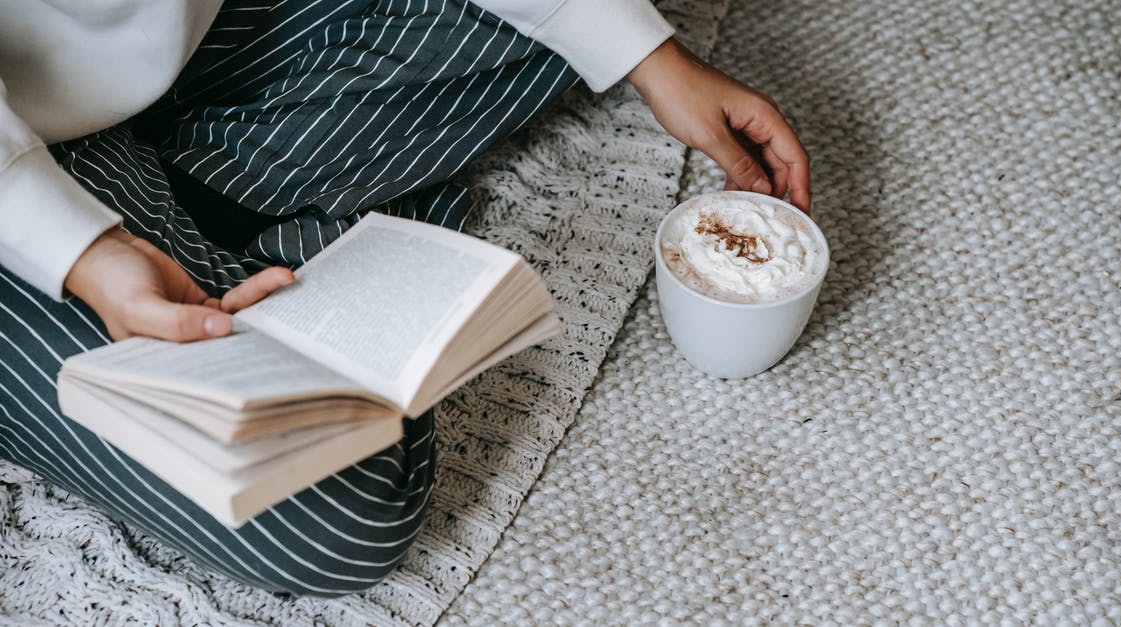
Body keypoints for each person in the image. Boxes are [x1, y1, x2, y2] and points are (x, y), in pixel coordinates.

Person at [0, 0, 809, 596]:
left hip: (199, 37)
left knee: (596, 22)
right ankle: (227, 202)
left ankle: (209, 198)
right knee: (337, 508)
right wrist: (84, 251)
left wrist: (653, 63)